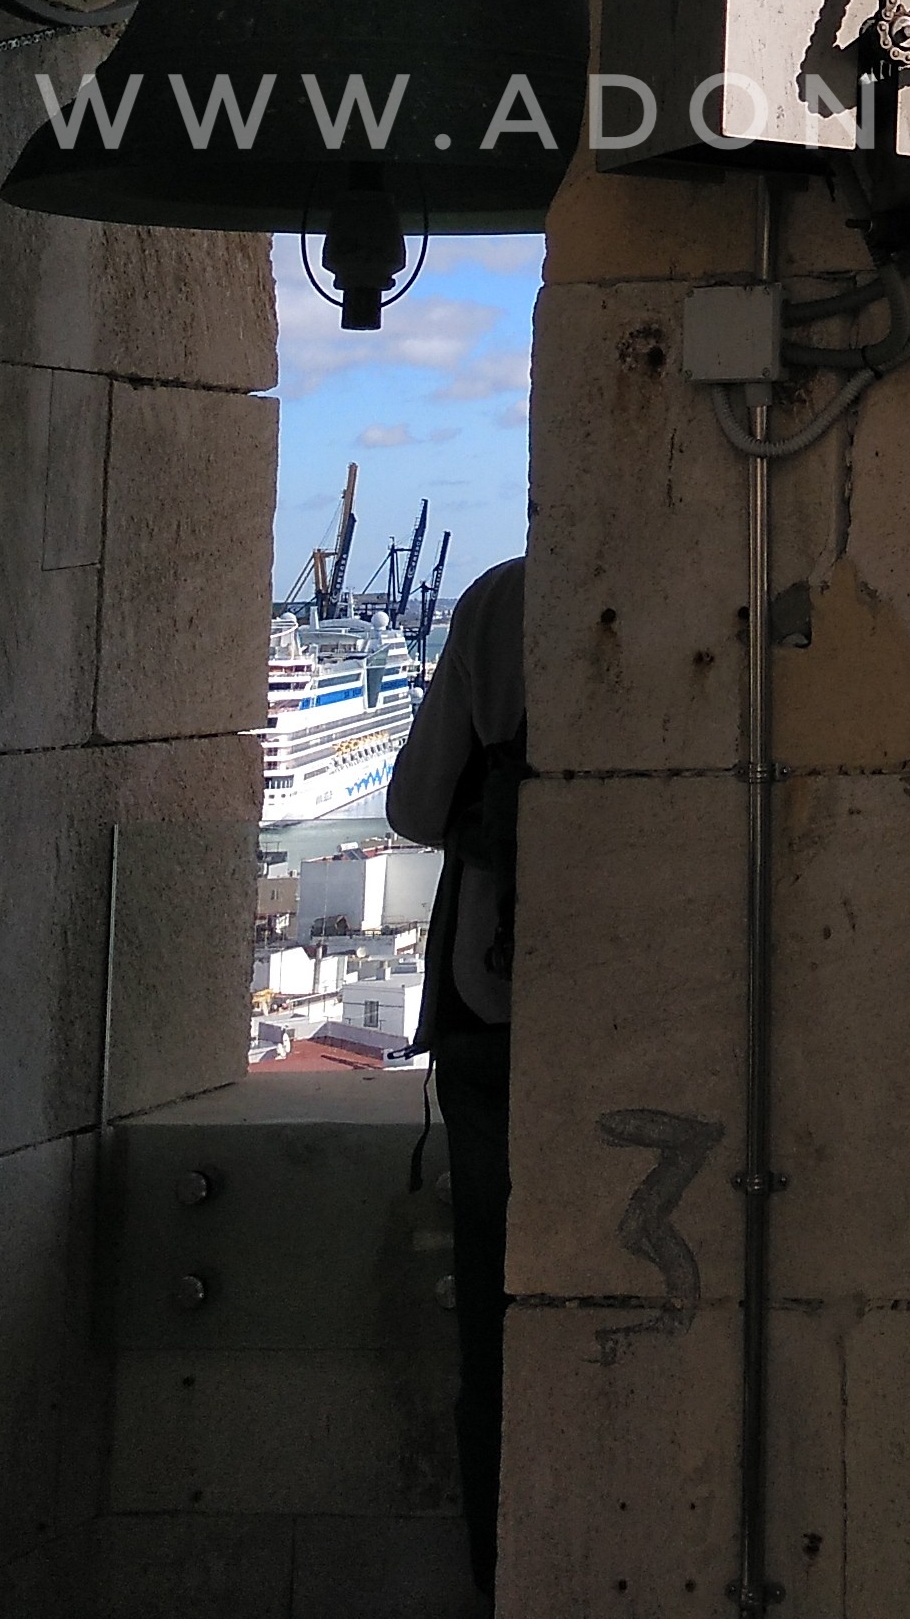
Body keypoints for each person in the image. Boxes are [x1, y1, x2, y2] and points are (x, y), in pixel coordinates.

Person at [389, 557, 529, 1599]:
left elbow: (414, 804)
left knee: (498, 1323)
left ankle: (505, 1570)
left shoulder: (498, 601)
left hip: (498, 1002)